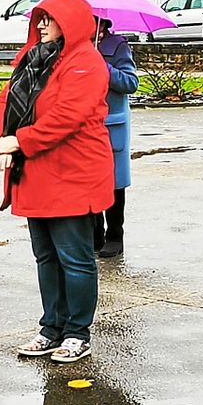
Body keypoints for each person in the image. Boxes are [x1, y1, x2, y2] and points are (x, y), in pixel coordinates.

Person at [0, 0, 113, 364]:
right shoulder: (31, 59)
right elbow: (5, 100)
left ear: (71, 23)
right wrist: (3, 136)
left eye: (49, 19)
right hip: (36, 172)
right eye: (39, 19)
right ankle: (51, 327)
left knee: (74, 258)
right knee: (46, 256)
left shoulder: (87, 63)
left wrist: (18, 141)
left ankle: (77, 331)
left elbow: (66, 117)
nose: (41, 25)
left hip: (72, 173)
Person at [92, 19, 138, 258]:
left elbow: (130, 83)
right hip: (86, 124)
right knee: (90, 179)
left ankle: (115, 234)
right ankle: (95, 232)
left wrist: (102, 66)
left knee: (114, 181)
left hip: (112, 124)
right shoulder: (74, 46)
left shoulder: (117, 46)